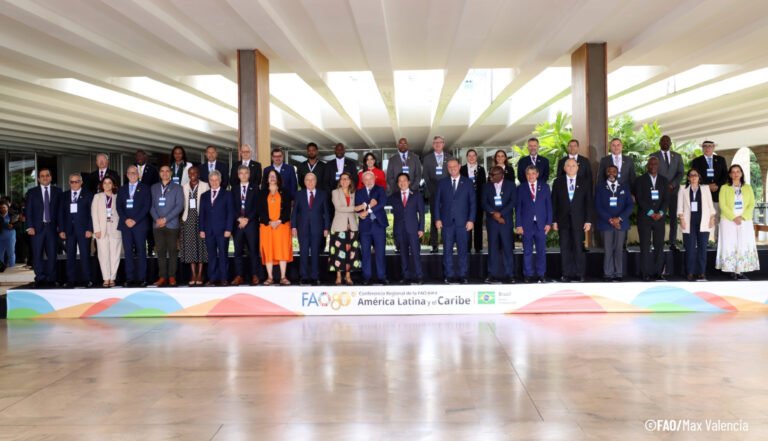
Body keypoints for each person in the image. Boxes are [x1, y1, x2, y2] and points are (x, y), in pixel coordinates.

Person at [434, 159, 475, 284]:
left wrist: (471, 220)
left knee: (463, 250)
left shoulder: (468, 182)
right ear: (447, 168)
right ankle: (449, 275)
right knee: (447, 251)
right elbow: (437, 203)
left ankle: (463, 275)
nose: (452, 168)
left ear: (459, 166)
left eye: (454, 166)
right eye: (450, 167)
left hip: (463, 223)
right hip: (446, 223)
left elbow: (473, 203)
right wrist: (437, 219)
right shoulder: (442, 183)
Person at [552, 159, 593, 282]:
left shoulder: (584, 182)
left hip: (579, 221)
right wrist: (554, 221)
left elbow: (588, 202)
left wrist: (588, 221)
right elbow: (554, 202)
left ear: (577, 167)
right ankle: (566, 274)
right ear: (564, 168)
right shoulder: (558, 182)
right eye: (568, 166)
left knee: (578, 247)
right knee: (564, 248)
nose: (571, 168)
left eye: (573, 165)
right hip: (562, 220)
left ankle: (579, 273)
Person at [716, 164, 759, 280]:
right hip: (728, 221)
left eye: (738, 171)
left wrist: (742, 217)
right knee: (729, 244)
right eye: (733, 172)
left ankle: (740, 271)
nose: (735, 174)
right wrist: (733, 217)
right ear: (730, 174)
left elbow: (751, 204)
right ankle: (731, 270)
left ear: (741, 174)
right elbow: (722, 205)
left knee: (743, 244)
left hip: (744, 221)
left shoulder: (748, 187)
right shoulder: (724, 188)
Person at [595, 165, 634, 282]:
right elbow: (598, 206)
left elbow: (630, 205)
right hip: (606, 223)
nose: (611, 173)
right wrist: (611, 220)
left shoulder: (624, 187)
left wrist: (619, 218)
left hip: (621, 223)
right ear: (606, 173)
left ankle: (618, 273)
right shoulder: (600, 187)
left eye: (614, 171)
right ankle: (608, 274)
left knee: (618, 249)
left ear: (617, 173)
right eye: (609, 171)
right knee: (608, 249)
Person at [25, 168, 62, 288]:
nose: (45, 177)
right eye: (42, 176)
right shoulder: (32, 192)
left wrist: (61, 228)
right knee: (37, 255)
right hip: (36, 229)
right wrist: (29, 226)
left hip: (52, 229)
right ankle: (39, 278)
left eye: (47, 175)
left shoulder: (58, 191)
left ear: (50, 177)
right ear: (38, 179)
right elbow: (28, 210)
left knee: (52, 255)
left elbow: (61, 211)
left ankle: (51, 279)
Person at [516, 165, 552, 283]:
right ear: (526, 175)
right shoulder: (521, 188)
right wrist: (518, 224)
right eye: (528, 174)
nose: (531, 176)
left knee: (541, 251)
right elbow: (518, 208)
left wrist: (549, 223)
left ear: (537, 174)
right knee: (527, 251)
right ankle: (528, 274)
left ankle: (541, 274)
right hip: (526, 224)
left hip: (541, 224)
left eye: (533, 173)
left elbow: (549, 206)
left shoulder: (545, 187)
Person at [292, 173, 330, 285]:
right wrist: (293, 226)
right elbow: (295, 212)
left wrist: (326, 227)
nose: (310, 182)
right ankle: (303, 276)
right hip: (302, 228)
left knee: (315, 253)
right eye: (307, 180)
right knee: (303, 252)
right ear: (304, 182)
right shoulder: (299, 194)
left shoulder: (323, 194)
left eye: (312, 179)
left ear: (316, 181)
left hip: (317, 228)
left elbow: (326, 212)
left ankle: (315, 276)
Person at [677, 169, 715, 281]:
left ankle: (701, 272)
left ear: (699, 177)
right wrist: (682, 219)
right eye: (691, 175)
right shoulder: (683, 189)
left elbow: (711, 206)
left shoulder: (705, 188)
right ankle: (690, 272)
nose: (693, 177)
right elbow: (680, 207)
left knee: (702, 248)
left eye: (696, 175)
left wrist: (712, 218)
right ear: (688, 178)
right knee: (690, 248)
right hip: (688, 222)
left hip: (703, 222)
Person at [635, 157, 669, 281]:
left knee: (659, 246)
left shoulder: (664, 180)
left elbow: (666, 199)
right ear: (647, 166)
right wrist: (651, 213)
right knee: (645, 246)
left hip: (659, 218)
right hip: (645, 218)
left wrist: (660, 212)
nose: (653, 166)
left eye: (655, 164)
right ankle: (645, 273)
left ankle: (658, 272)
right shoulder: (640, 180)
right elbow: (639, 199)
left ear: (658, 166)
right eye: (651, 164)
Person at [117, 166, 151, 287]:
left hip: (140, 225)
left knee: (141, 251)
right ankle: (129, 278)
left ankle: (142, 278)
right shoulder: (122, 189)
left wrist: (135, 220)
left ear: (138, 175)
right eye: (130, 173)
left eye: (134, 173)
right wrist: (126, 219)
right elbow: (118, 207)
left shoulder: (145, 188)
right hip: (125, 225)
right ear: (126, 175)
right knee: (128, 252)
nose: (132, 175)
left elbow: (146, 206)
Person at [58, 173, 94, 288]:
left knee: (85, 255)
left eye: (77, 181)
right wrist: (61, 230)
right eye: (72, 182)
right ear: (69, 183)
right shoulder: (64, 195)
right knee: (70, 256)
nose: (74, 184)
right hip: (69, 231)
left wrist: (90, 229)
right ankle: (71, 280)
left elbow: (92, 214)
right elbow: (61, 213)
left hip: (84, 231)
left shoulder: (88, 195)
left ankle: (87, 279)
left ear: (81, 182)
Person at [258, 169, 293, 286]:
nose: (272, 178)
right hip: (267, 227)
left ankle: (283, 277)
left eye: (274, 176)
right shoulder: (262, 193)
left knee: (282, 250)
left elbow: (288, 209)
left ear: (278, 178)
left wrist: (279, 221)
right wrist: (268, 221)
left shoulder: (285, 192)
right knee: (268, 251)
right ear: (267, 179)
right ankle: (270, 277)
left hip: (282, 226)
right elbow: (260, 210)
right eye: (270, 176)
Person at [150, 166, 183, 287]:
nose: (165, 173)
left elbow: (179, 206)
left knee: (173, 252)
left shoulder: (177, 188)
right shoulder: (153, 188)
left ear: (171, 173)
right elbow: (151, 206)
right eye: (162, 171)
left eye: (167, 171)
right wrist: (157, 220)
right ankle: (162, 277)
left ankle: (172, 276)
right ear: (159, 173)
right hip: (157, 225)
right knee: (161, 252)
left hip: (172, 225)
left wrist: (165, 219)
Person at [388, 173, 425, 284]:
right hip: (400, 230)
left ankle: (419, 276)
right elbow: (382, 203)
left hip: (413, 229)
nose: (402, 182)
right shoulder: (394, 196)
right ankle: (406, 276)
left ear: (409, 182)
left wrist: (421, 228)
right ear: (397, 184)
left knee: (416, 254)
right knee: (403, 254)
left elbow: (422, 213)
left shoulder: (416, 195)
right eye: (400, 181)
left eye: (404, 180)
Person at [199, 170, 233, 286]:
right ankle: (212, 278)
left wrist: (229, 229)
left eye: (216, 180)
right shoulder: (204, 196)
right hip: (208, 231)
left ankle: (224, 278)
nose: (214, 182)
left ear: (220, 180)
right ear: (209, 181)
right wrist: (201, 229)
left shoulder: (227, 194)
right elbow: (202, 214)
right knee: (211, 255)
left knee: (223, 255)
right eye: (212, 180)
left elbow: (230, 213)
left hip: (223, 231)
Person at [483, 166, 516, 284]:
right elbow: (484, 202)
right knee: (492, 248)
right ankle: (491, 274)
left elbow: (513, 202)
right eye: (490, 174)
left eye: (493, 175)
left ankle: (510, 274)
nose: (490, 177)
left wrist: (501, 214)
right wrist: (494, 214)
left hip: (505, 221)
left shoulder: (511, 185)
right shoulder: (486, 186)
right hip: (492, 222)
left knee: (507, 248)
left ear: (501, 175)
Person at [650, 135, 684, 249]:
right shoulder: (653, 156)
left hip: (673, 191)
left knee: (673, 217)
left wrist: (672, 184)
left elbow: (681, 173)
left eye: (667, 141)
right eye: (663, 141)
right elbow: (651, 172)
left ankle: (672, 242)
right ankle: (657, 242)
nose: (665, 142)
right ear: (659, 143)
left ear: (670, 143)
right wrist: (664, 186)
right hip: (659, 191)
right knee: (659, 216)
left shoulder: (677, 156)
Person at [690, 140, 728, 240]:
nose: (707, 148)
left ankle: (717, 240)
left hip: (717, 193)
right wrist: (707, 186)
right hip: (703, 194)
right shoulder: (696, 161)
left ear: (713, 147)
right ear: (702, 148)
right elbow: (694, 177)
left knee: (717, 217)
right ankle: (704, 241)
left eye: (710, 146)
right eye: (705, 146)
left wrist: (717, 185)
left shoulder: (720, 160)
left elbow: (725, 175)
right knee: (703, 217)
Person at [356, 171, 388, 285]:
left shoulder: (380, 190)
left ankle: (381, 277)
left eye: (370, 179)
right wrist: (370, 206)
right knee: (365, 253)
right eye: (366, 179)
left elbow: (382, 203)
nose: (368, 181)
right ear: (362, 181)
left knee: (380, 253)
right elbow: (357, 207)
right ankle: (366, 277)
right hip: (365, 227)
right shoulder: (359, 192)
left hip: (378, 225)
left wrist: (368, 209)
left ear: (374, 178)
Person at [230, 165, 261, 286]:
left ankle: (254, 275)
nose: (243, 175)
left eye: (246, 173)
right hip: (238, 225)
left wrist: (247, 219)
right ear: (238, 175)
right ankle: (239, 276)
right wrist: (239, 219)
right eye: (241, 173)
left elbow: (257, 207)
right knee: (237, 251)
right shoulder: (234, 189)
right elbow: (231, 207)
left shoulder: (255, 188)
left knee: (253, 250)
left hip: (251, 224)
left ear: (249, 174)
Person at [421, 136, 453, 253]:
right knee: (435, 217)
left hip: (447, 193)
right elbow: (426, 176)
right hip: (433, 193)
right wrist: (433, 191)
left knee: (447, 218)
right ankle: (434, 245)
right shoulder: (427, 158)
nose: (438, 144)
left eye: (440, 142)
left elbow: (452, 174)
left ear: (443, 144)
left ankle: (448, 244)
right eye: (435, 142)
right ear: (433, 144)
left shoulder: (450, 157)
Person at [329, 172, 361, 285]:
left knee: (350, 253)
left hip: (352, 226)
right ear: (339, 181)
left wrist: (360, 213)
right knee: (338, 252)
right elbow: (339, 208)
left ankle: (348, 276)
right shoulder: (335, 192)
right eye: (342, 179)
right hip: (339, 226)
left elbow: (355, 211)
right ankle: (338, 276)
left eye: (346, 179)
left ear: (350, 181)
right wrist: (355, 208)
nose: (344, 181)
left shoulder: (354, 193)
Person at [91, 176, 122, 287]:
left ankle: (112, 278)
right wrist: (96, 230)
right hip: (101, 230)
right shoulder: (97, 197)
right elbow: (94, 214)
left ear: (113, 185)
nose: (107, 185)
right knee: (103, 255)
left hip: (115, 229)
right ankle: (106, 278)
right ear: (102, 185)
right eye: (105, 183)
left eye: (109, 183)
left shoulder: (118, 197)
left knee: (115, 255)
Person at [181, 166, 208, 286]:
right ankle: (193, 274)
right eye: (190, 173)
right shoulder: (184, 187)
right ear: (188, 174)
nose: (193, 174)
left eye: (195, 172)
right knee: (190, 247)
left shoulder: (205, 185)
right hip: (188, 220)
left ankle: (200, 274)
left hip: (201, 219)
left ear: (198, 174)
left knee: (201, 247)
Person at [460, 149, 486, 253]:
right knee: (467, 224)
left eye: (473, 155)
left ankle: (478, 247)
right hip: (465, 202)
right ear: (466, 157)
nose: (471, 157)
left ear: (476, 157)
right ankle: (467, 247)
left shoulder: (481, 169)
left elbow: (483, 185)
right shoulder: (462, 169)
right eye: (469, 156)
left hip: (478, 201)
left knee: (478, 224)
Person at [0, 200, 17, 271]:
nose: (2, 209)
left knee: (11, 252)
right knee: (0, 253)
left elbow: (18, 224)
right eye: (1, 208)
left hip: (10, 236)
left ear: (7, 207)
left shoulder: (12, 214)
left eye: (4, 207)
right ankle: (1, 267)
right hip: (0, 236)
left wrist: (13, 226)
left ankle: (11, 267)